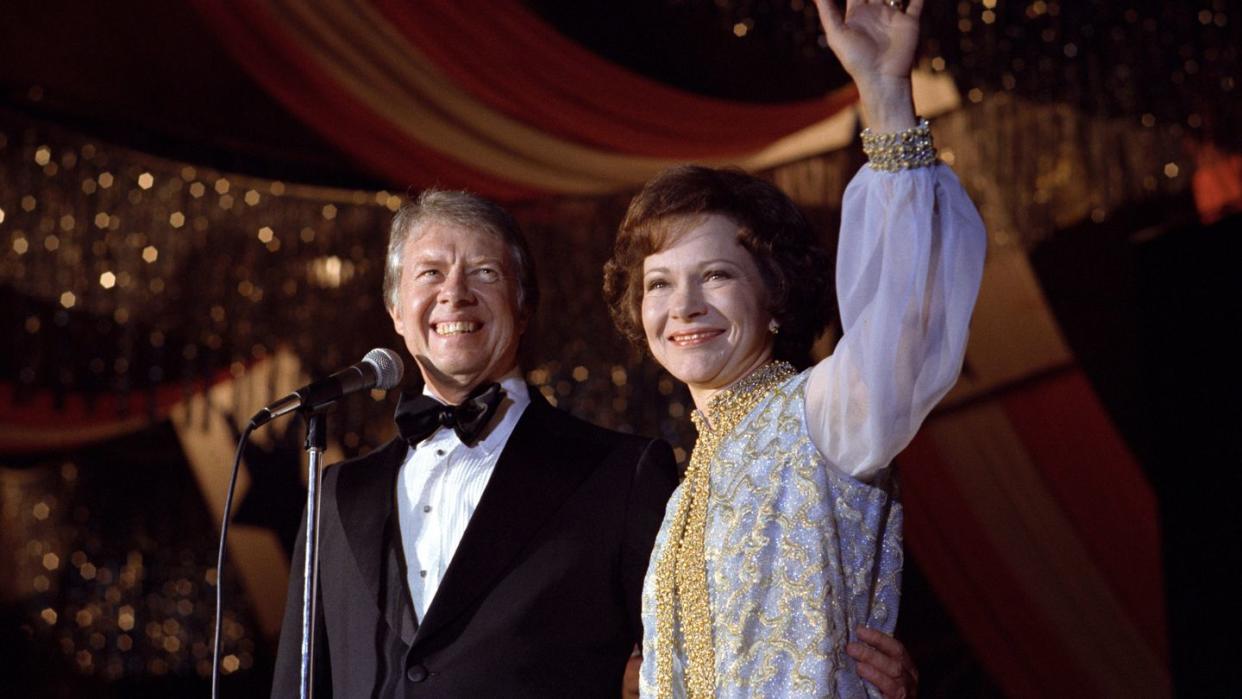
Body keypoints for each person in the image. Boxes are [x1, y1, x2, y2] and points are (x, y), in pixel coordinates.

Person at [602, 0, 987, 696]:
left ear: (774, 294)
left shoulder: (820, 415)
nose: (683, 306)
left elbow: (905, 312)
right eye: (659, 283)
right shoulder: (683, 496)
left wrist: (885, 94)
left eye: (715, 274)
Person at [271, 190, 678, 696]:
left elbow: (684, 668)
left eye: (485, 272)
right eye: (430, 273)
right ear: (396, 310)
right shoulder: (337, 494)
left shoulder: (622, 474)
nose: (455, 293)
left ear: (523, 305)